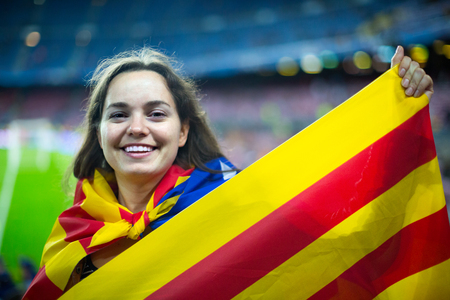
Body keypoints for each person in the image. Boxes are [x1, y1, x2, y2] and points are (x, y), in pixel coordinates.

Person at [23, 45, 433, 299]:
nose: (137, 127)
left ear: (182, 131)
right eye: (118, 114)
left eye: (156, 113)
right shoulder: (73, 232)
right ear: (99, 131)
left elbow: (340, 251)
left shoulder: (232, 202)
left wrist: (399, 124)